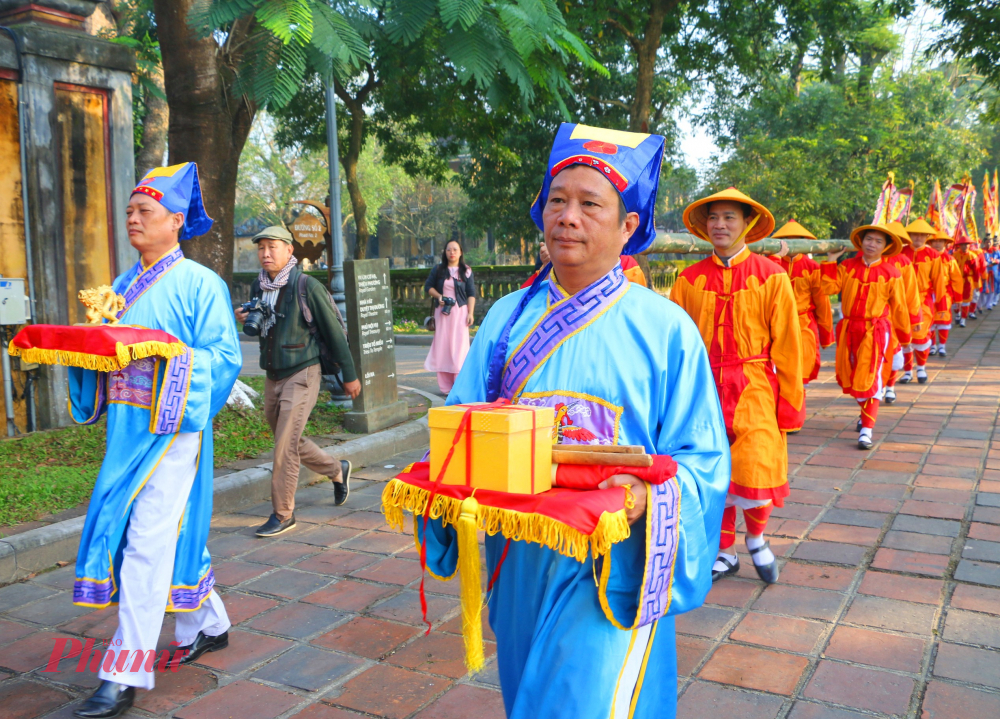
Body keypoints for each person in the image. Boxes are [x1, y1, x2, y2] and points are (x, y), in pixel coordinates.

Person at [420, 123, 729, 719]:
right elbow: (458, 425)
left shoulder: (665, 331)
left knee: (585, 703)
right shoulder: (508, 319)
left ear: (628, 227)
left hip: (611, 569)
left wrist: (645, 497)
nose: (569, 217)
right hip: (518, 561)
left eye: (591, 204)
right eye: (557, 201)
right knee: (529, 699)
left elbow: (703, 463)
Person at [69, 163, 241, 717]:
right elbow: (104, 352)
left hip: (173, 431)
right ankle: (209, 622)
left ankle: (124, 672)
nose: (133, 219)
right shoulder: (120, 285)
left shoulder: (202, 285)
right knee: (168, 532)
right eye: (130, 211)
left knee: (144, 540)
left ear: (176, 222)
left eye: (145, 212)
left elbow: (224, 358)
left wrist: (169, 362)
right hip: (125, 429)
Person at [670, 188, 803, 585]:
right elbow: (675, 343)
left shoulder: (772, 276)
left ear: (746, 224)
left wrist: (790, 404)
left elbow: (789, 346)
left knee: (757, 462)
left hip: (755, 384)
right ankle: (723, 551)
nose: (720, 225)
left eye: (729, 217)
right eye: (713, 218)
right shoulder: (689, 279)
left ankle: (757, 537)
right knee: (712, 466)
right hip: (704, 385)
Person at [235, 225, 360, 537]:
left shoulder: (306, 286)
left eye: (272, 247)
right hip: (272, 375)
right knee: (286, 437)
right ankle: (336, 469)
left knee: (284, 446)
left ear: (289, 250)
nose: (265, 253)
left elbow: (335, 334)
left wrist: (350, 376)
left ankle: (283, 514)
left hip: (303, 371)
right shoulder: (257, 286)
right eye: (261, 247)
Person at [824, 223, 910, 449]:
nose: (872, 244)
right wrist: (831, 261)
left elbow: (899, 307)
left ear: (886, 247)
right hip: (848, 329)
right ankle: (865, 414)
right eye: (869, 239)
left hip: (876, 332)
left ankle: (866, 431)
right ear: (861, 241)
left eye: (878, 241)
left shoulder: (892, 273)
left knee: (871, 377)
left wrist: (904, 337)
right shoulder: (848, 266)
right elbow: (829, 289)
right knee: (852, 375)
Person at [770, 219, 834, 384]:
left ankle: (798, 402)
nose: (792, 244)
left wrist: (827, 335)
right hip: (777, 322)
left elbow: (822, 303)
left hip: (803, 322)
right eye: (787, 239)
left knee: (803, 364)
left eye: (797, 239)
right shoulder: (771, 264)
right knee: (776, 368)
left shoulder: (812, 267)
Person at [423, 240, 477, 394]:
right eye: (448, 250)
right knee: (443, 347)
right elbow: (428, 287)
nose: (451, 252)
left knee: (459, 348)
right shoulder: (439, 270)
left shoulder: (466, 271)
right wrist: (439, 296)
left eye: (455, 249)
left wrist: (470, 313)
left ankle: (460, 384)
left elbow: (471, 293)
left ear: (460, 252)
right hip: (443, 313)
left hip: (460, 313)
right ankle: (446, 388)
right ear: (445, 252)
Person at [882, 221, 923, 395]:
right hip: (869, 315)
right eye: (889, 239)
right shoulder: (867, 258)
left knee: (893, 349)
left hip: (894, 314)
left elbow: (911, 293)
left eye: (898, 240)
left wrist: (915, 318)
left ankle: (890, 386)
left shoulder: (904, 262)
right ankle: (878, 386)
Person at [903, 218, 949, 366]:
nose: (918, 237)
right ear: (909, 234)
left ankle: (921, 367)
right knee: (903, 335)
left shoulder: (933, 255)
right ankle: (908, 370)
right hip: (901, 300)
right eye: (915, 234)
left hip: (923, 299)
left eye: (922, 235)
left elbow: (939, 281)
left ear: (927, 237)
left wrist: (942, 306)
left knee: (921, 333)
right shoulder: (900, 253)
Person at [928, 230, 962, 354]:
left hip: (944, 293)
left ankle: (942, 345)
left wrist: (958, 298)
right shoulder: (927, 257)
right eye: (934, 241)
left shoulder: (949, 259)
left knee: (943, 318)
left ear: (945, 243)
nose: (937, 244)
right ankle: (932, 345)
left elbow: (956, 279)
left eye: (940, 241)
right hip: (928, 293)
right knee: (929, 318)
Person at [952, 236, 981, 327]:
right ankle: (958, 314)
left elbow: (976, 271)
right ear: (959, 245)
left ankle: (963, 319)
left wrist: (977, 284)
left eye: (966, 245)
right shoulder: (955, 255)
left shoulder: (972, 256)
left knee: (966, 300)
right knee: (955, 299)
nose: (965, 246)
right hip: (956, 280)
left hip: (968, 280)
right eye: (963, 245)